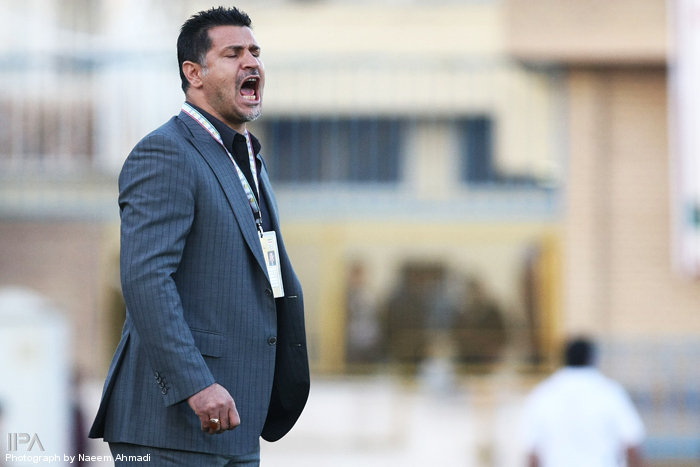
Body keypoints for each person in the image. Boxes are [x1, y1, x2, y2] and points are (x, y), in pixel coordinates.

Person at [88, 7, 310, 466]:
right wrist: (196, 384)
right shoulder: (166, 153)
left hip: (237, 423)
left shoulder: (249, 159)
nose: (251, 62)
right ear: (194, 73)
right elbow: (147, 280)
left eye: (255, 52)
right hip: (172, 426)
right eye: (233, 53)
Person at [521, 338, 645, 467]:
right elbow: (632, 444)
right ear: (591, 358)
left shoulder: (543, 394)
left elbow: (532, 452)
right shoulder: (610, 392)